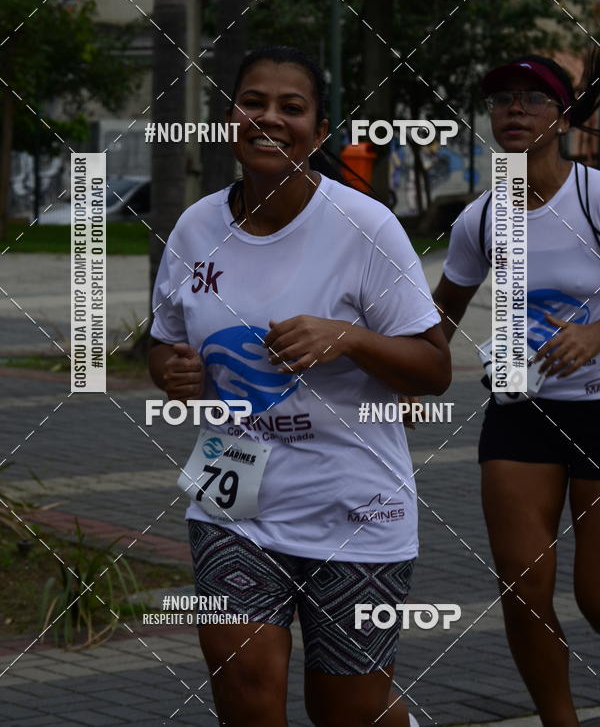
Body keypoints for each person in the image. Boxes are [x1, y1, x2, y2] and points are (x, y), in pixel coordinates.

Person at [149, 45, 451, 727]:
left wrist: (347, 338)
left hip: (355, 510)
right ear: (230, 117)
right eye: (253, 102)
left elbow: (434, 369)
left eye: (292, 108)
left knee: (347, 711)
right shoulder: (197, 226)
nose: (269, 119)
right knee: (247, 697)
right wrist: (171, 369)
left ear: (318, 132)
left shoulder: (364, 226)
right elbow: (163, 342)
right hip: (231, 499)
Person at [432, 53, 600, 727]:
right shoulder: (481, 216)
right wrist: (409, 373)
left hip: (599, 411)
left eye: (532, 99)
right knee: (523, 590)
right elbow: (441, 310)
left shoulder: (593, 196)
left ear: (561, 118)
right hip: (519, 412)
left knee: (596, 597)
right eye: (502, 100)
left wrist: (597, 336)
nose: (514, 110)